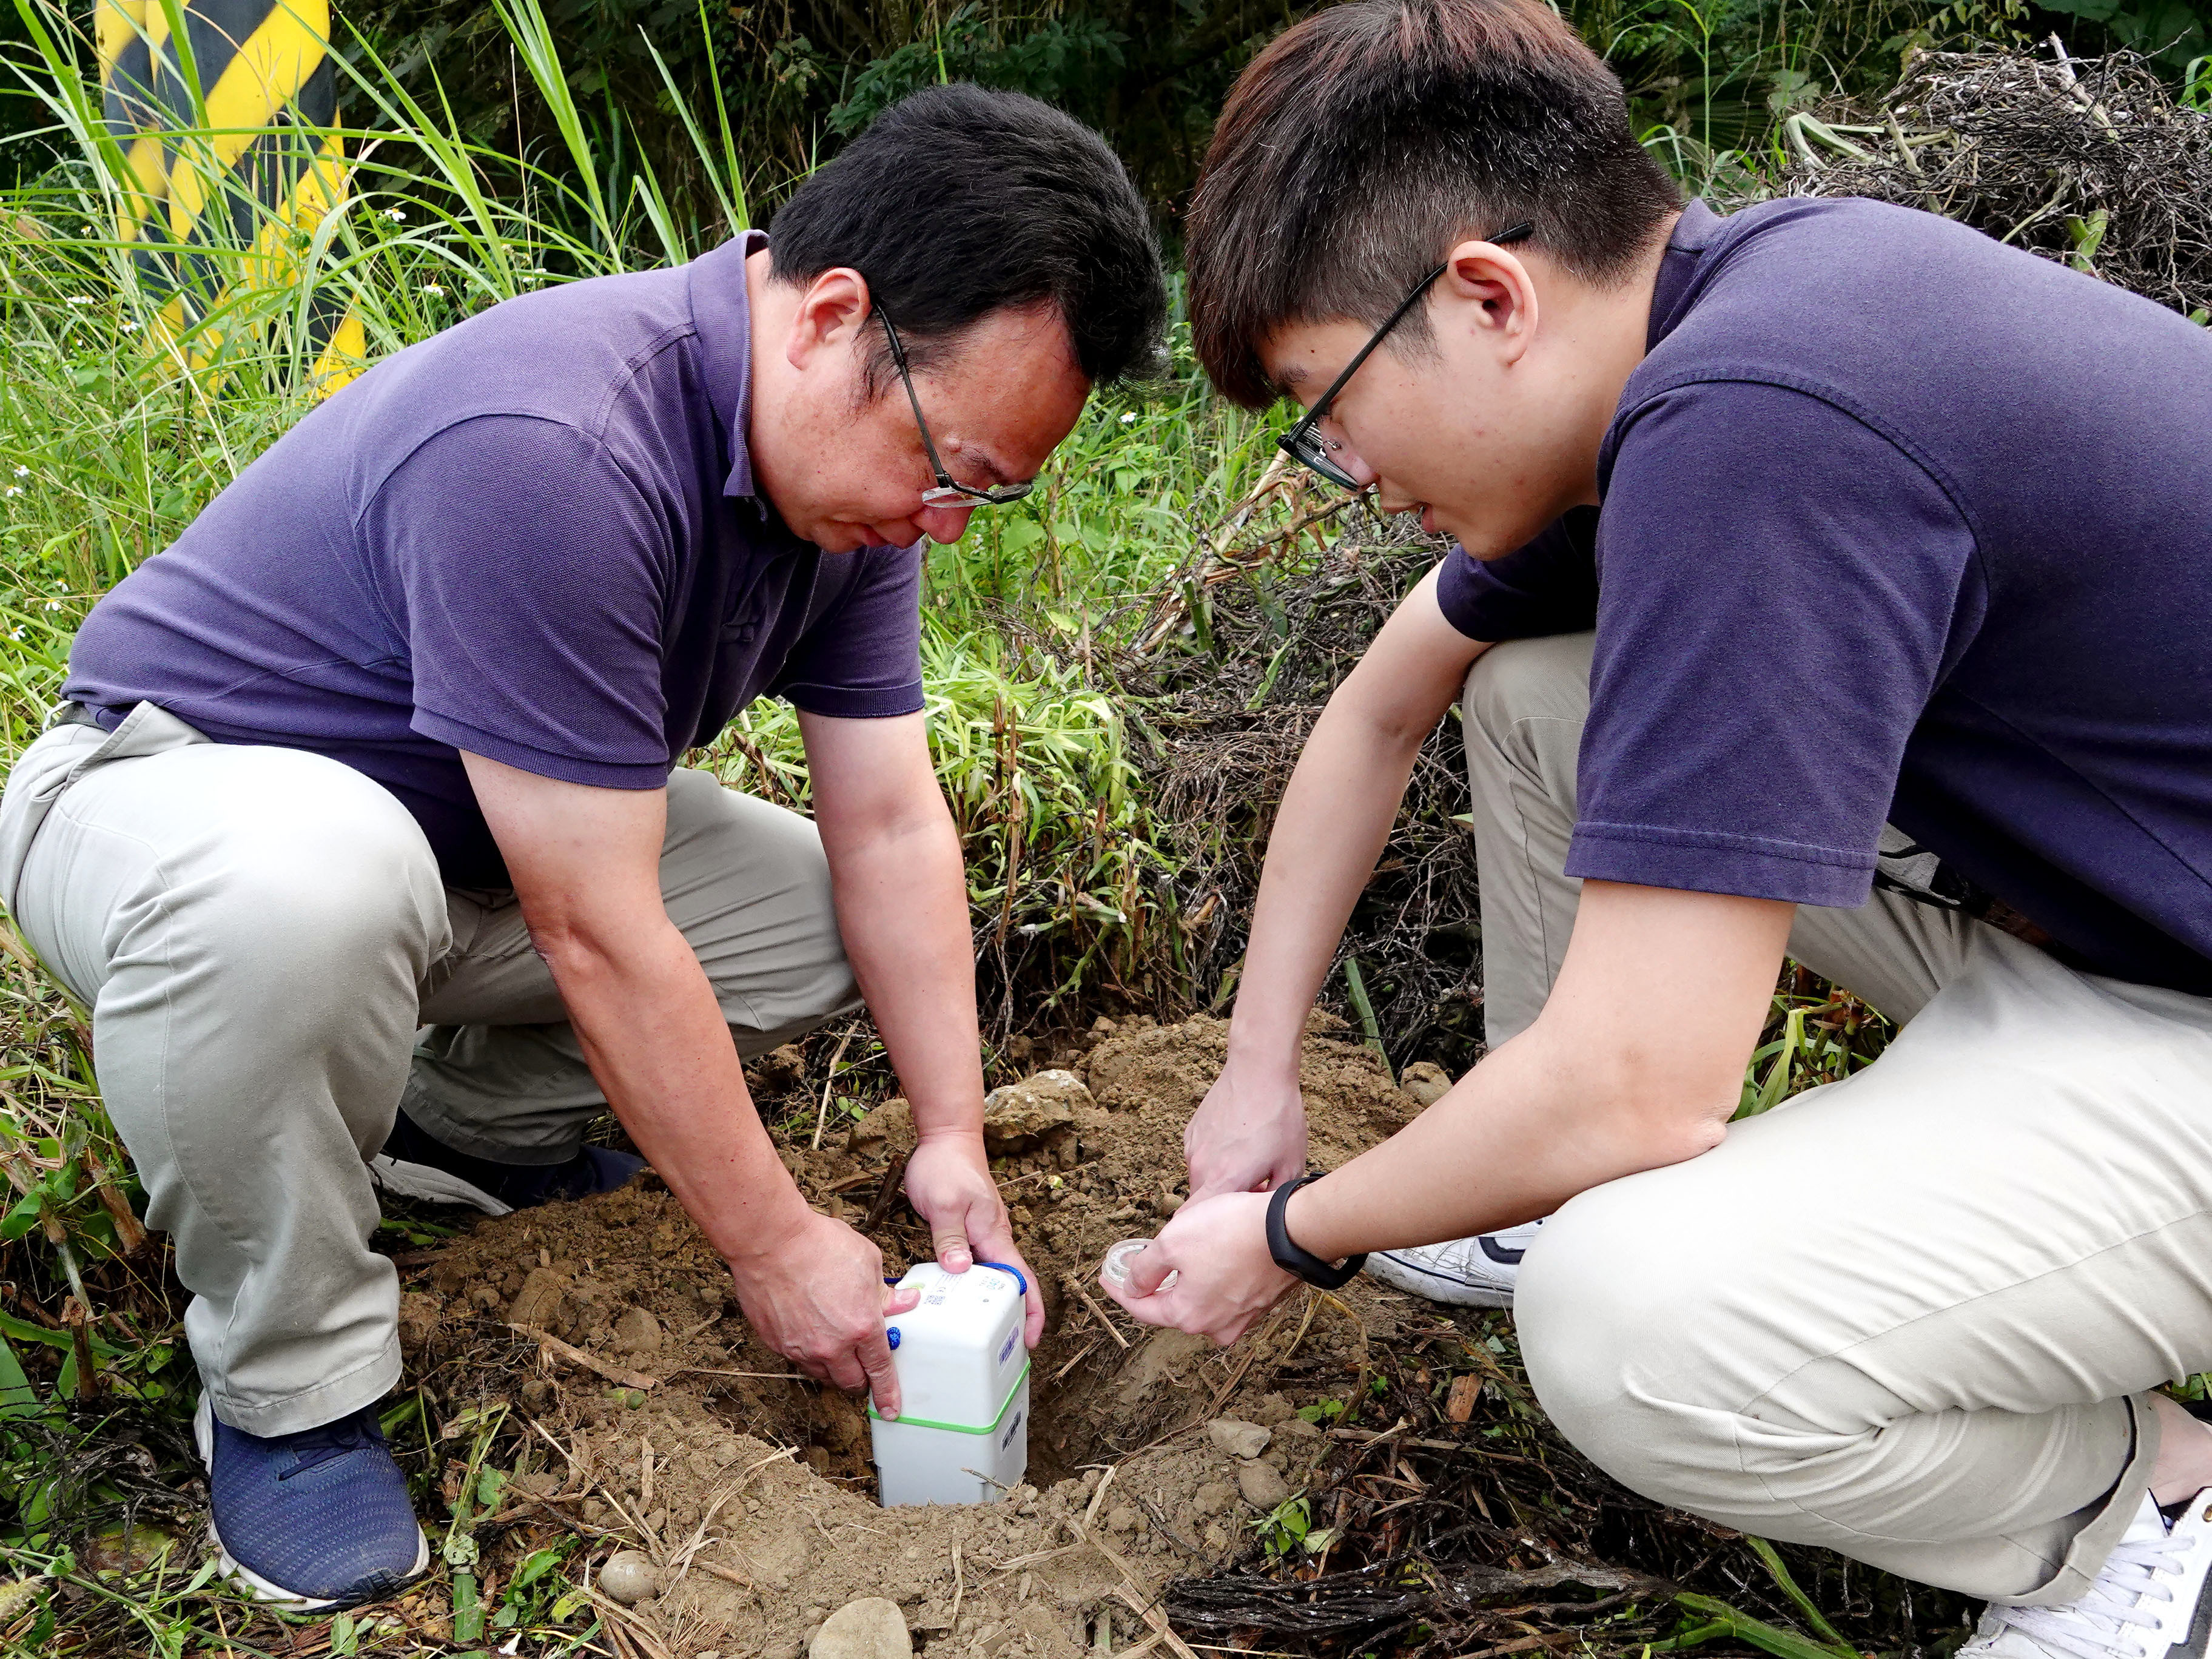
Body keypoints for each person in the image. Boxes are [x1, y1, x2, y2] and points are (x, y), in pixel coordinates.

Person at [1098, 0, 2212, 1637]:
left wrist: (1295, 1230)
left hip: (2171, 1002)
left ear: (1486, 296)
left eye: (1321, 406)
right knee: (1545, 697)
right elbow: (1384, 705)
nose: (1335, 463)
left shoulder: (1756, 426)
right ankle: (1530, 1187)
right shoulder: (1745, 318)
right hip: (2136, 922)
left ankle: (2151, 1511)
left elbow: (1644, 1082)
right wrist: (1258, 1079)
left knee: (1628, 1327)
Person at [0, 84, 1165, 1609]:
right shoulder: (559, 441)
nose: (947, 520)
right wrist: (769, 1243)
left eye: (987, 495)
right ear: (832, 315)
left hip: (462, 850)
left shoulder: (848, 496)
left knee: (814, 918)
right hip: (175, 803)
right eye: (953, 470)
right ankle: (288, 1392)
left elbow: (886, 823)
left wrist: (951, 1128)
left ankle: (452, 1128)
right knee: (306, 896)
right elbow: (599, 930)